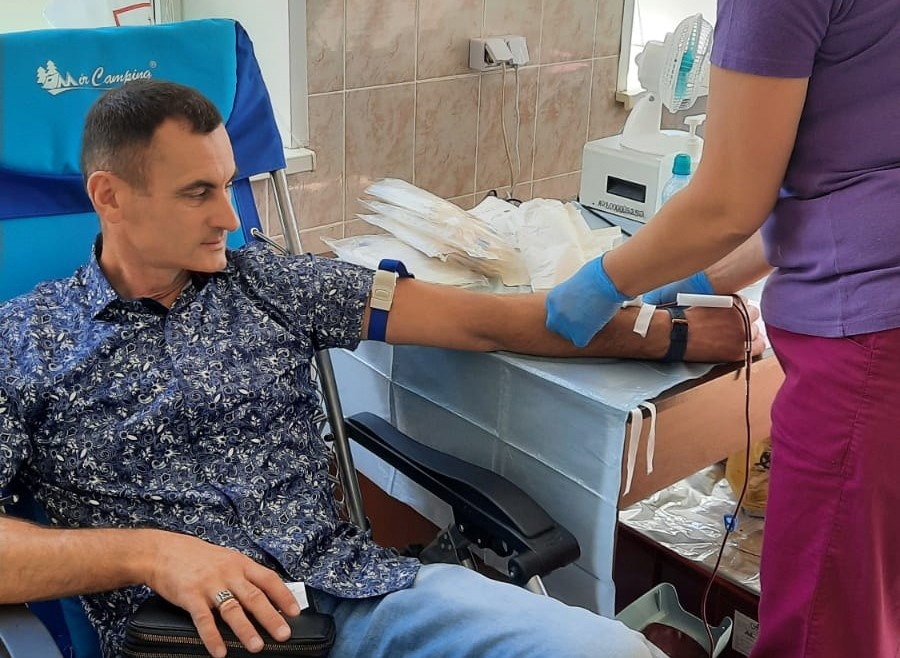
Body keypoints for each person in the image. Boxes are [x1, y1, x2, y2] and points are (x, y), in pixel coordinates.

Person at [0, 79, 760, 658]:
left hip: (354, 598)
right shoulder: (26, 342)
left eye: (229, 184)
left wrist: (670, 329)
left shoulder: (269, 281)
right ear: (110, 198)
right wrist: (149, 552)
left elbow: (488, 318)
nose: (230, 217)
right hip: (186, 636)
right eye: (198, 192)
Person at [545, 1, 900, 657]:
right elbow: (844, 173)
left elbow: (731, 201)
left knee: (824, 631)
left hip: (871, 341)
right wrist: (703, 280)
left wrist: (605, 280)